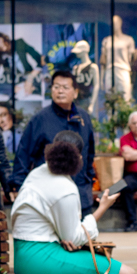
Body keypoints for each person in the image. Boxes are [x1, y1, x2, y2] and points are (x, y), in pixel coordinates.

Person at [8, 134, 137, 274]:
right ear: (79, 158)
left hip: (27, 256)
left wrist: (67, 237)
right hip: (39, 260)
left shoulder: (38, 172)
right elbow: (75, 237)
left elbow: (65, 233)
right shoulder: (65, 188)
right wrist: (103, 208)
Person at [11, 68, 97, 214]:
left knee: (84, 228)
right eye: (56, 87)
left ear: (75, 92)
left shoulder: (84, 118)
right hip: (49, 195)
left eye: (65, 87)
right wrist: (18, 185)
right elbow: (24, 153)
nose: (60, 91)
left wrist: (88, 180)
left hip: (81, 194)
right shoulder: (40, 119)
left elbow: (89, 153)